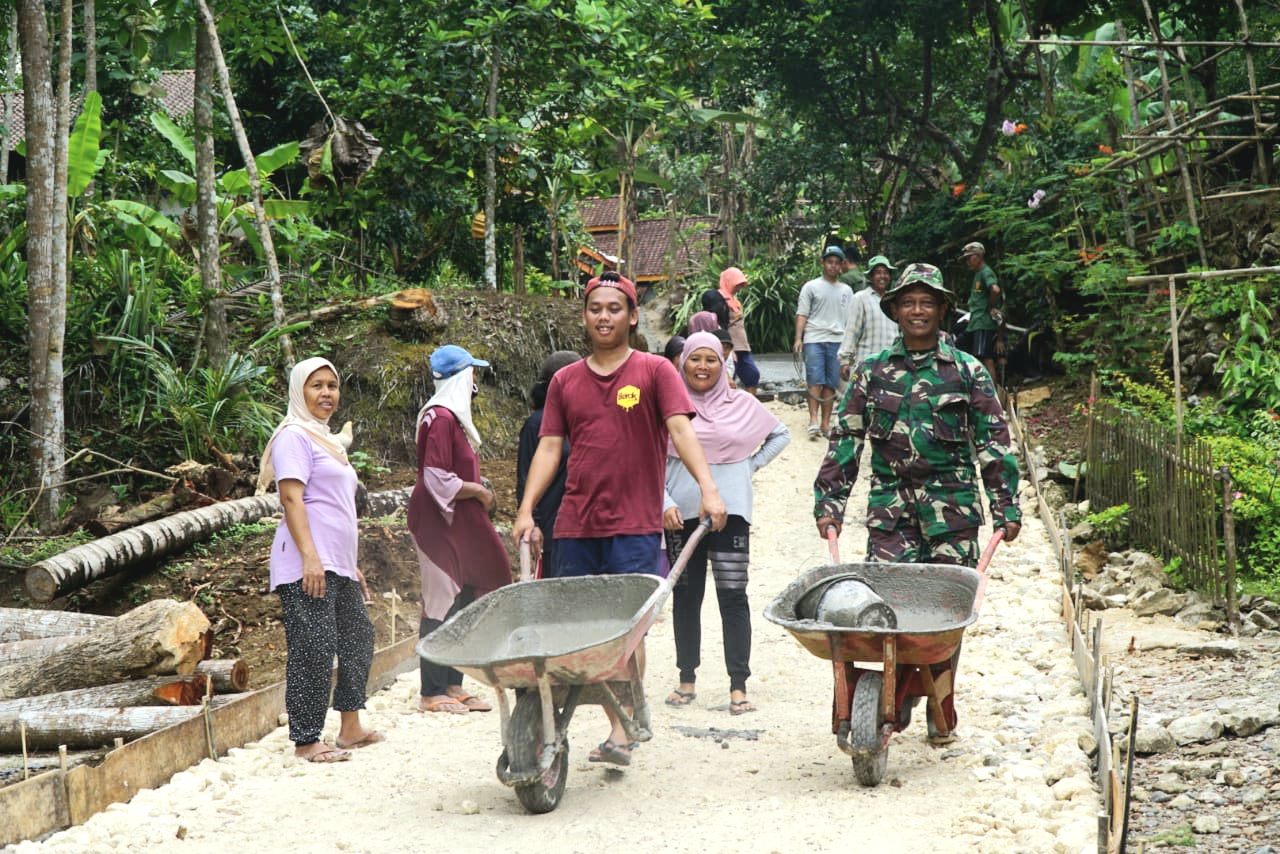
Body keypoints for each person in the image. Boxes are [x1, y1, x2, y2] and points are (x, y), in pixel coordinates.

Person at [513, 270, 728, 767]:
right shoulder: (566, 381)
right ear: (585, 317)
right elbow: (549, 448)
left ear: (632, 317)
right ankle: (576, 721)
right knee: (577, 629)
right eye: (595, 309)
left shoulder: (655, 371)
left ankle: (620, 727)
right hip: (575, 524)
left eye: (614, 308)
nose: (604, 317)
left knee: (627, 631)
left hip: (633, 525)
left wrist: (709, 490)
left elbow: (681, 431)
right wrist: (526, 510)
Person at [813, 263, 1021, 742]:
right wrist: (830, 504)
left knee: (947, 616)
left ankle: (939, 703)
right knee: (886, 608)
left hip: (953, 512)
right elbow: (846, 441)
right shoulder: (872, 373)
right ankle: (895, 693)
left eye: (927, 302)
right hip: (892, 512)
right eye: (908, 302)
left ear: (943, 309)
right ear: (895, 311)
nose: (918, 310)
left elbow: (994, 443)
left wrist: (1006, 506)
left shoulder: (967, 371)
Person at [259, 357, 382, 763]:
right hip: (305, 561)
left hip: (336, 561)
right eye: (317, 386)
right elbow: (291, 498)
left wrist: (349, 562)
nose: (327, 393)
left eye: (332, 385)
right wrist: (310, 558)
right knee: (313, 645)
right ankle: (307, 739)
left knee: (358, 636)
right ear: (300, 392)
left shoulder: (326, 440)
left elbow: (336, 505)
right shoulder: (294, 437)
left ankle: (350, 727)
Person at [662, 332, 789, 715]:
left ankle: (738, 685)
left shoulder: (743, 403)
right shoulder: (669, 406)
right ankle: (687, 679)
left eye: (711, 360)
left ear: (723, 363)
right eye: (694, 359)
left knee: (733, 596)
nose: (702, 367)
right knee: (686, 597)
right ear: (682, 363)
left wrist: (747, 466)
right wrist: (664, 500)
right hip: (679, 515)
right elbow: (648, 458)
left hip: (730, 513)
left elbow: (780, 434)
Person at [409, 344, 512, 714]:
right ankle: (431, 690)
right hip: (438, 523)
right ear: (461, 377)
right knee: (441, 598)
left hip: (459, 522)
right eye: (472, 373)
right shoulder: (439, 417)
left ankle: (454, 682)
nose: (475, 381)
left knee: (467, 592)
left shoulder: (452, 419)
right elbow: (436, 477)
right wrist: (480, 492)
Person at [516, 350, 582, 576]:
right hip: (551, 531)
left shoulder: (584, 418)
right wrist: (533, 523)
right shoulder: (536, 424)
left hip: (584, 528)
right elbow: (525, 477)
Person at [794, 245, 854, 440]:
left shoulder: (847, 290)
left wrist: (850, 345)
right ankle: (813, 420)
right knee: (814, 381)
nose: (833, 266)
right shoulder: (811, 287)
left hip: (838, 340)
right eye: (830, 262)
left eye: (837, 262)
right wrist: (798, 338)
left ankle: (825, 423)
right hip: (814, 338)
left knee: (831, 383)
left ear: (842, 265)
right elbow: (802, 313)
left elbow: (851, 320)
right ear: (823, 263)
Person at [838, 254, 900, 381]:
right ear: (871, 276)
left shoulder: (893, 301)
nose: (882, 276)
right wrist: (845, 361)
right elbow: (852, 330)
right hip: (866, 364)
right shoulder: (860, 298)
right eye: (878, 273)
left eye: (886, 273)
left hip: (890, 364)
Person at [958, 241, 1004, 385]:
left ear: (978, 256)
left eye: (969, 258)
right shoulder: (978, 274)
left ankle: (992, 391)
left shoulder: (985, 272)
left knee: (985, 358)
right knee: (962, 348)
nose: (967, 262)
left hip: (983, 321)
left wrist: (990, 306)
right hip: (975, 322)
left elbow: (995, 290)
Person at [717, 267, 760, 395]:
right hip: (729, 346)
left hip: (742, 346)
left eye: (741, 285)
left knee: (752, 374)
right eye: (737, 284)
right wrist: (728, 349)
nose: (739, 288)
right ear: (728, 281)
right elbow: (718, 324)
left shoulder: (735, 301)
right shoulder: (718, 300)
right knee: (729, 377)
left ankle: (750, 404)